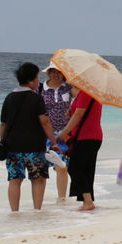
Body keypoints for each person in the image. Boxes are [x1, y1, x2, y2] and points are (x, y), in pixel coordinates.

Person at [0, 62, 58, 211]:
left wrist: (2, 142)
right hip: (34, 146)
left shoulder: (9, 98)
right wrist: (53, 141)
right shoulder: (36, 98)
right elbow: (45, 122)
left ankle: (14, 212)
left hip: (13, 146)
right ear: (31, 80)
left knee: (14, 180)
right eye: (37, 77)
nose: (38, 80)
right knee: (38, 179)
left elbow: (3, 125)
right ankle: (37, 210)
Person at [39, 61, 78, 203]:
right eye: (53, 72)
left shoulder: (68, 88)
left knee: (62, 166)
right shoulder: (40, 88)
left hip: (63, 133)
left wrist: (72, 110)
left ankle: (61, 199)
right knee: (41, 167)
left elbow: (81, 100)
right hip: (43, 132)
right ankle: (39, 201)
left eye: (59, 72)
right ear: (49, 73)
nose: (56, 75)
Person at [57, 90, 102, 211]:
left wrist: (63, 133)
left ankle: (87, 201)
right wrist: (70, 113)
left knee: (74, 168)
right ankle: (88, 201)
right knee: (86, 169)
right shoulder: (89, 92)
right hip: (91, 135)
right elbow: (80, 113)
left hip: (87, 136)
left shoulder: (85, 92)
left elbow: (79, 114)